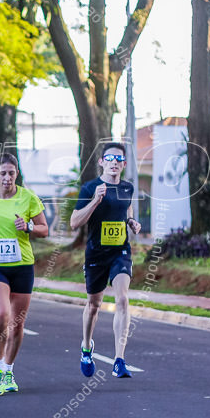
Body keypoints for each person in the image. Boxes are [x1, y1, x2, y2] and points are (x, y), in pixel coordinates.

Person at [0, 154, 49, 395]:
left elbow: (45, 229)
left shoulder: (28, 198)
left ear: (16, 174)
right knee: (1, 315)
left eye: (11, 173)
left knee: (17, 324)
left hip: (22, 265)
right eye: (2, 173)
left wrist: (29, 227)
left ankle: (8, 370)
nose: (7, 178)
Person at [70, 142, 142, 379]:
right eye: (109, 158)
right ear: (101, 162)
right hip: (96, 254)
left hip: (120, 252)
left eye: (119, 159)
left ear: (123, 164)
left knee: (122, 299)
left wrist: (131, 222)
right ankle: (86, 347)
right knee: (94, 306)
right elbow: (74, 222)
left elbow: (126, 209)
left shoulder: (127, 188)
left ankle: (119, 360)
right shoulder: (90, 187)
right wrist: (94, 201)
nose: (114, 162)